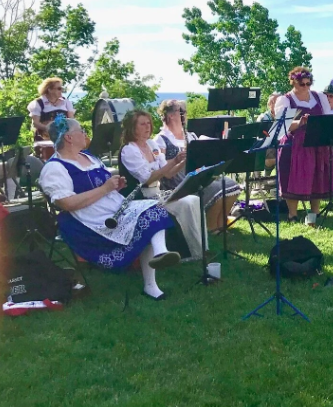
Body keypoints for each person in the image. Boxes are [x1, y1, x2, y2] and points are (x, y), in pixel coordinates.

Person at [38, 117, 180, 300]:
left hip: (114, 206)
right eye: (81, 130)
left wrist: (114, 185)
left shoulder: (88, 157)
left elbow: (101, 184)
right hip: (90, 218)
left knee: (155, 208)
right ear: (69, 137)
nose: (85, 134)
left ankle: (158, 260)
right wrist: (105, 189)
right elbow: (66, 203)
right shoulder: (54, 168)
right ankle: (154, 272)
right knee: (147, 216)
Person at [119, 109, 204, 262]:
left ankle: (201, 248)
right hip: (140, 198)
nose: (148, 127)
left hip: (156, 193)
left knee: (194, 200)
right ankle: (191, 252)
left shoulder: (151, 144)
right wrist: (174, 160)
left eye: (148, 123)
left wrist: (183, 160)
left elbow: (168, 173)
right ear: (132, 127)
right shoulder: (129, 150)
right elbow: (146, 179)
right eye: (142, 124)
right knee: (185, 204)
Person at [152, 99, 241, 232]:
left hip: (197, 177)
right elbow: (165, 174)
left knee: (231, 185)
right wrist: (181, 160)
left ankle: (220, 223)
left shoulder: (190, 135)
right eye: (182, 111)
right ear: (170, 115)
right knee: (219, 188)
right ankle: (211, 226)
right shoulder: (161, 139)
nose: (185, 115)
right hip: (177, 184)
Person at [275, 66, 333, 222]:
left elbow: (327, 119)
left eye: (308, 84)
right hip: (295, 143)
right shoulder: (285, 100)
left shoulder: (319, 97)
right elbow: (282, 126)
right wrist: (300, 122)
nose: (305, 87)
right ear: (293, 83)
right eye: (302, 84)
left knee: (317, 176)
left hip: (317, 142)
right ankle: (293, 214)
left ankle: (315, 212)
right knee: (292, 177)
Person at [28, 77, 75, 160]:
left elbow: (71, 120)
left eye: (62, 88)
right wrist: (49, 128)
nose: (62, 90)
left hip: (64, 137)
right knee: (48, 158)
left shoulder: (66, 102)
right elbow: (35, 123)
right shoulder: (38, 103)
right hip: (44, 138)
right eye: (59, 88)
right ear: (49, 90)